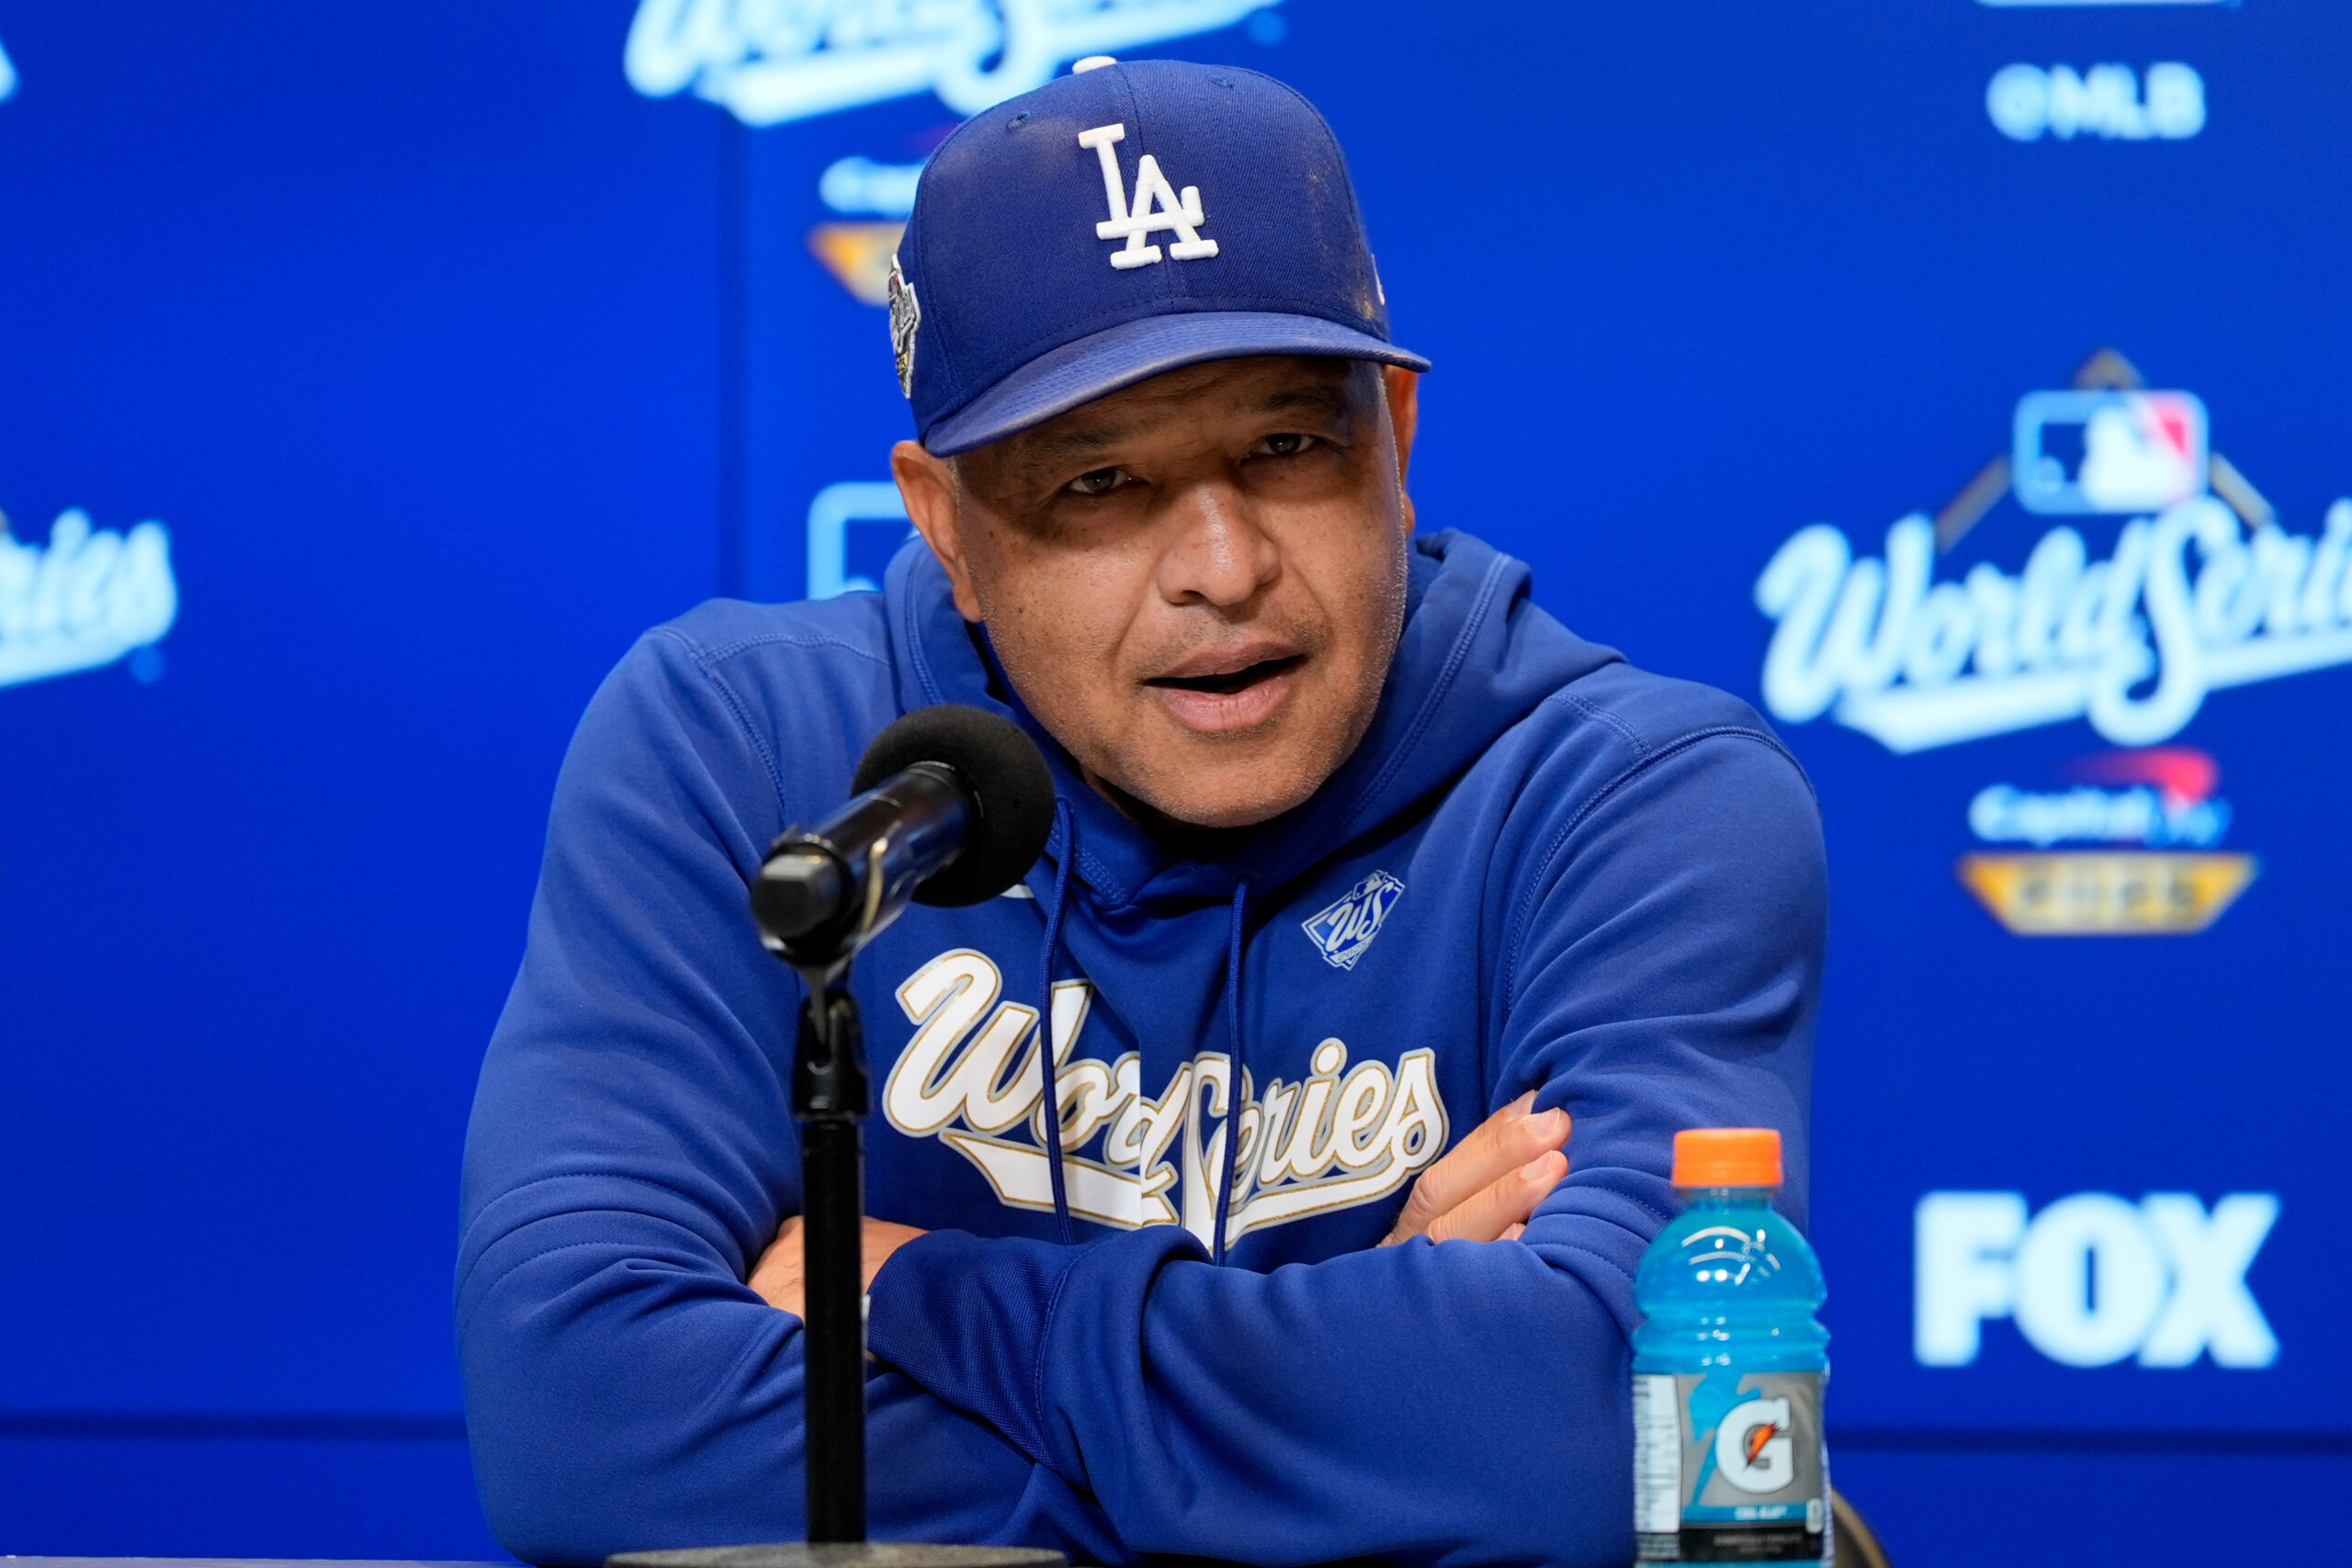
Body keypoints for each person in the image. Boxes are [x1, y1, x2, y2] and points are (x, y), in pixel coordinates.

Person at [458, 57, 1826, 1568]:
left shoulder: (1627, 800)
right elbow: (580, 1425)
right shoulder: (746, 756)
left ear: (1399, 437)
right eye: (1100, 482)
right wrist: (1364, 1416)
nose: (1223, 567)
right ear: (945, 525)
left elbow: (1596, 1439)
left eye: (1289, 448)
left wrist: (924, 1294)